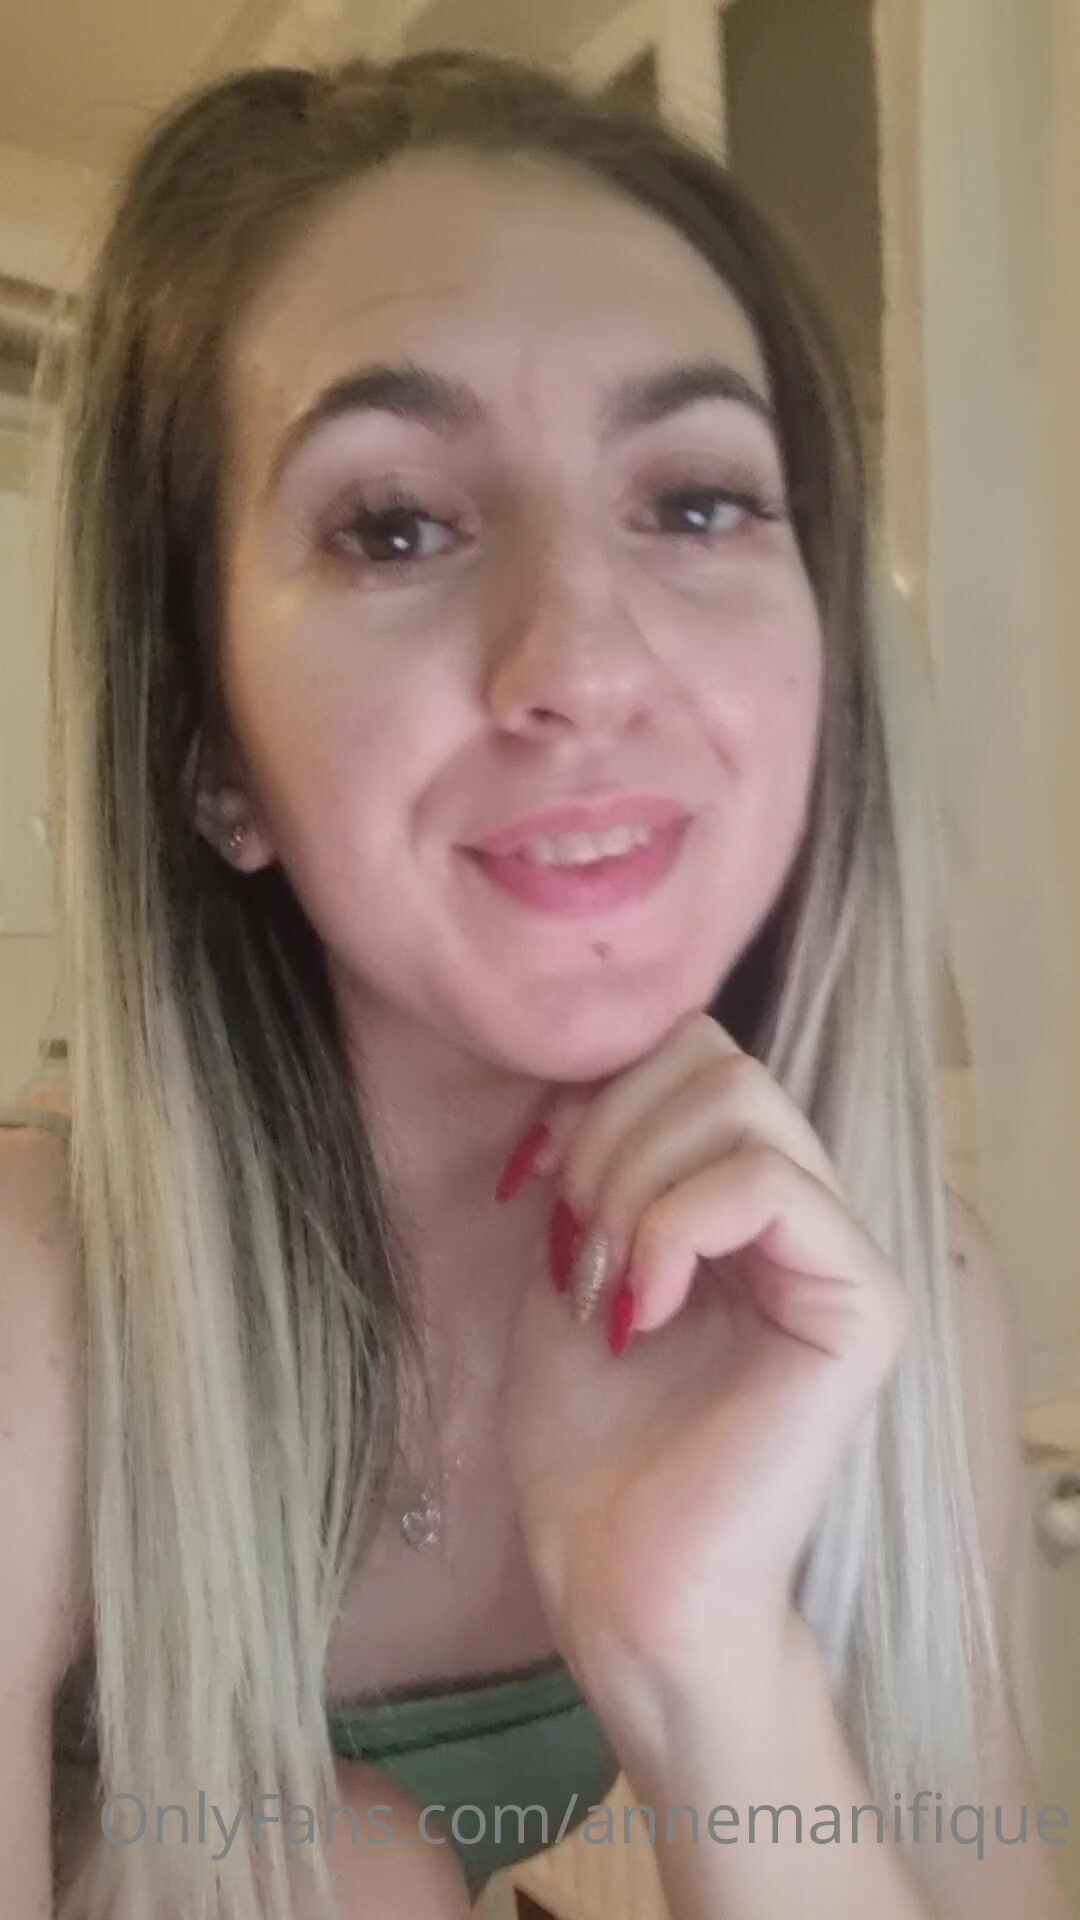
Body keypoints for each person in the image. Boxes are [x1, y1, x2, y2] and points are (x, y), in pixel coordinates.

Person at [0, 46, 1069, 1920]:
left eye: (701, 502)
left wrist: (705, 1661)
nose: (585, 660)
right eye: (394, 526)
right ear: (208, 750)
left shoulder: (909, 1299)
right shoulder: (37, 1317)